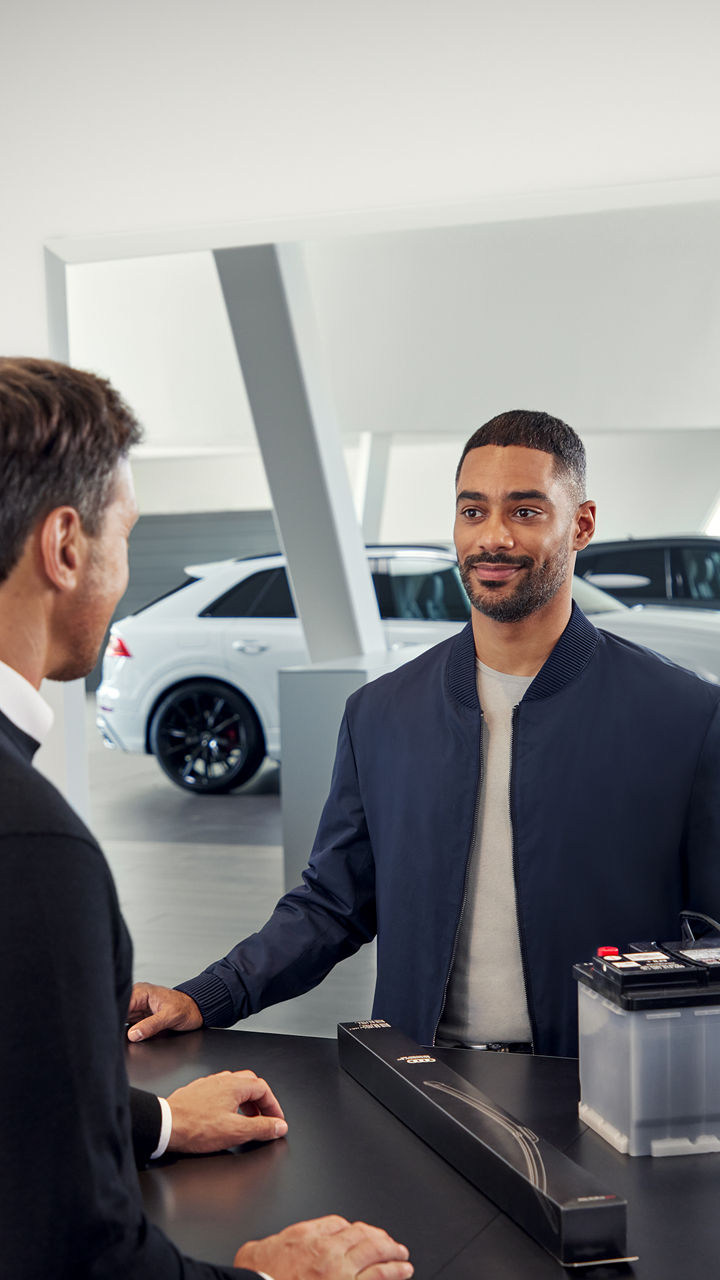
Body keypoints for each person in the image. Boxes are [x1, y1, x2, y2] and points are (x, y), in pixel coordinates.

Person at [128, 410, 720, 1059]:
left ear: (581, 523)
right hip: (421, 1081)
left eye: (524, 511)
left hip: (607, 1088)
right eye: (473, 512)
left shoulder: (685, 717)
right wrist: (209, 994)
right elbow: (332, 904)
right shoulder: (380, 715)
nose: (493, 537)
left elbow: (711, 935)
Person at [0, 356, 413, 1280]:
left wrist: (149, 1121)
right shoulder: (33, 850)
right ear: (66, 546)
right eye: (125, 535)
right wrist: (275, 1278)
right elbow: (75, 1255)